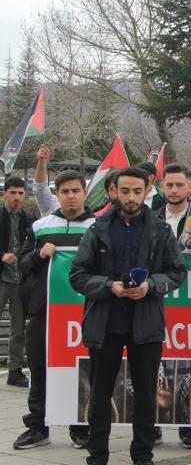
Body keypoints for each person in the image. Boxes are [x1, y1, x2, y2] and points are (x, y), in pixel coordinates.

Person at [69, 166, 187, 465]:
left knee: (146, 396)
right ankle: (97, 456)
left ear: (147, 191)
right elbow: (78, 275)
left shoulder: (161, 230)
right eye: (125, 191)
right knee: (99, 396)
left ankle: (142, 456)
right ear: (114, 191)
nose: (131, 197)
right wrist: (109, 287)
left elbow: (177, 273)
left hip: (145, 324)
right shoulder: (97, 229)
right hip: (105, 324)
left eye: (137, 191)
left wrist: (151, 286)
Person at [13, 170, 95, 450]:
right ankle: (38, 426)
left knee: (82, 369)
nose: (71, 196)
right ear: (57, 195)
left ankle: (81, 426)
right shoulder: (41, 226)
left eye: (75, 191)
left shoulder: (99, 227)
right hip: (45, 311)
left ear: (84, 193)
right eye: (65, 191)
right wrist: (39, 254)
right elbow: (23, 264)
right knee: (39, 367)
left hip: (85, 312)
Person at [153, 162, 191, 449]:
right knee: (154, 362)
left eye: (179, 185)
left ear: (188, 188)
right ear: (162, 187)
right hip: (157, 300)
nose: (173, 190)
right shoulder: (150, 220)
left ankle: (188, 427)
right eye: (169, 185)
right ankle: (153, 424)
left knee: (189, 362)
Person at [1, 177, 35, 388]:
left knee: (18, 329)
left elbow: (34, 247)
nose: (17, 197)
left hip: (20, 280)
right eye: (13, 192)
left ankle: (15, 370)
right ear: (5, 193)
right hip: (2, 277)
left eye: (21, 193)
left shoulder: (30, 218)